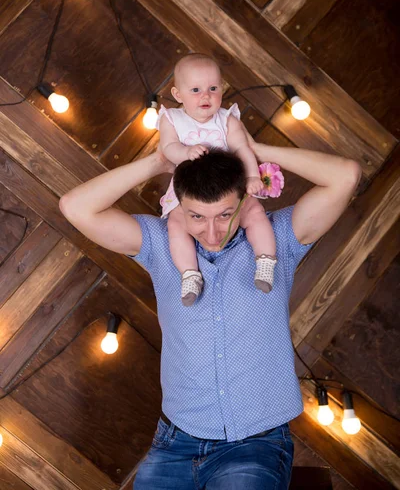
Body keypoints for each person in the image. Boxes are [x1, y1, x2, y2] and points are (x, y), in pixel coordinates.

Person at [59, 134, 361, 490]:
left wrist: (253, 151)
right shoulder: (159, 243)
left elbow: (347, 175)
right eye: (197, 217)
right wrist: (158, 160)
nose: (212, 232)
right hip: (175, 442)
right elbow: (74, 206)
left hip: (256, 444)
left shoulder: (278, 237)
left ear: (245, 202)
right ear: (178, 208)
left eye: (225, 215)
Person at [158, 54, 277, 305]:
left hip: (229, 187)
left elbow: (243, 148)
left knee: (254, 213)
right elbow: (168, 148)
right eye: (196, 90)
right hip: (190, 189)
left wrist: (253, 176)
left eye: (213, 88)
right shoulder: (172, 119)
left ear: (222, 89)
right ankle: (190, 274)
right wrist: (185, 153)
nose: (206, 96)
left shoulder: (227, 119)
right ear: (178, 95)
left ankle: (265, 260)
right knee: (177, 224)